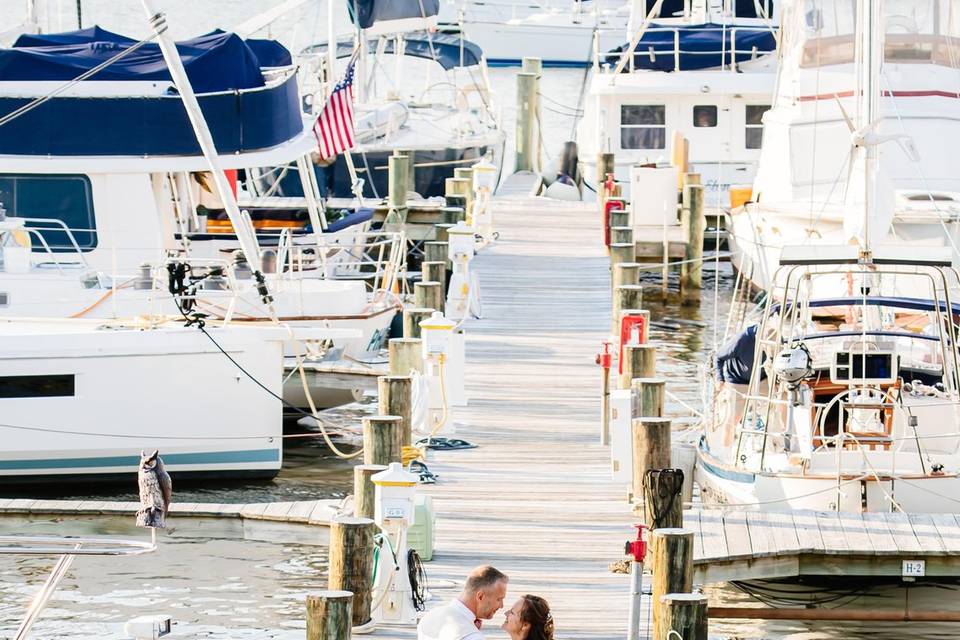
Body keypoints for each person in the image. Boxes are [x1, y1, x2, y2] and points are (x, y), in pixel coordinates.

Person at [417, 565, 509, 640]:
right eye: (499, 599)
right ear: (480, 597)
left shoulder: (428, 617)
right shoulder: (472, 637)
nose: (501, 606)